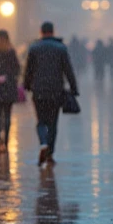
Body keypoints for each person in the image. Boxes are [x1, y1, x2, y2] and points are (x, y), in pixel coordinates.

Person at [23, 20, 79, 166]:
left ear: (41, 32)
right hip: (56, 91)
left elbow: (28, 70)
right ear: (53, 32)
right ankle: (50, 153)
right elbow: (68, 70)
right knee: (53, 122)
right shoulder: (61, 48)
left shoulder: (34, 48)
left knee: (41, 121)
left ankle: (43, 143)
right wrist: (74, 88)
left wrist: (26, 85)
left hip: (39, 90)